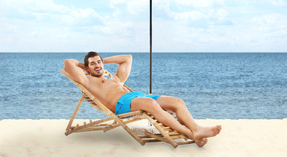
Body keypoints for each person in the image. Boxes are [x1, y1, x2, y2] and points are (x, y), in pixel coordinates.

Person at [64, 52, 221, 147]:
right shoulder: (88, 81)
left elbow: (127, 58)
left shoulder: (116, 78)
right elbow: (68, 63)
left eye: (98, 61)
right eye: (93, 63)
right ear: (87, 68)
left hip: (139, 97)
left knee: (177, 102)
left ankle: (197, 129)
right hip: (121, 104)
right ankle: (191, 134)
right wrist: (85, 67)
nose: (97, 65)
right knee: (150, 104)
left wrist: (103, 61)